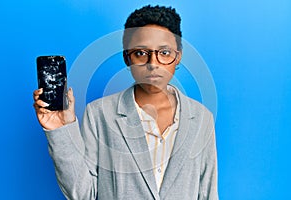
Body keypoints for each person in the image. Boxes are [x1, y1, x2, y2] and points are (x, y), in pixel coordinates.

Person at [33, 5, 218, 200]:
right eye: (140, 53)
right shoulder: (99, 114)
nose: (153, 64)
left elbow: (208, 193)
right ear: (126, 58)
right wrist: (60, 130)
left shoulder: (201, 118)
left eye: (164, 53)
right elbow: (83, 193)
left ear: (177, 56)